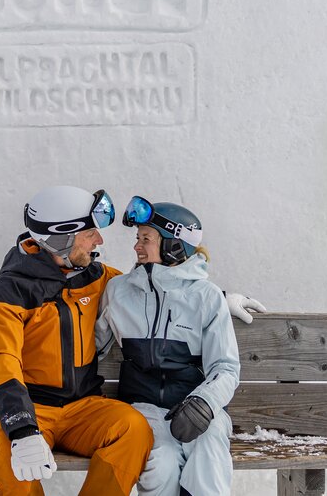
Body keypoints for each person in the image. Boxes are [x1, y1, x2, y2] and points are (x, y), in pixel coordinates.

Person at [0, 185, 152, 495]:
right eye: (90, 233)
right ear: (61, 240)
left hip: (83, 409)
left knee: (133, 428)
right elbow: (2, 359)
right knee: (9, 456)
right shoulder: (11, 290)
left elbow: (152, 293)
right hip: (33, 408)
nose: (99, 241)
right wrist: (22, 428)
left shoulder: (97, 277)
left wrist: (217, 301)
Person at [96, 196, 242, 496]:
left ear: (174, 246)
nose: (137, 247)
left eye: (146, 239)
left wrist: (204, 403)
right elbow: (91, 348)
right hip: (144, 408)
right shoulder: (119, 291)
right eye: (137, 238)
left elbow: (226, 367)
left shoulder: (207, 297)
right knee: (160, 463)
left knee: (209, 449)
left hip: (198, 406)